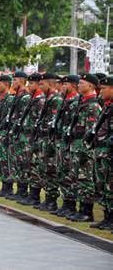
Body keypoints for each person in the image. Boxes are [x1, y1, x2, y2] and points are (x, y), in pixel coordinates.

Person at [66, 74, 102, 222]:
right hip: (76, 145)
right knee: (77, 178)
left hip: (85, 148)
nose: (78, 85)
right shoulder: (81, 102)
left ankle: (87, 212)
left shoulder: (93, 105)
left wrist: (85, 149)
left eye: (82, 83)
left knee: (85, 178)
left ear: (91, 86)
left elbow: (91, 131)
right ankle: (80, 209)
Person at [50, 75, 80, 217]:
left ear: (73, 85)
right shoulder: (65, 101)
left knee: (70, 174)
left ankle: (71, 205)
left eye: (65, 84)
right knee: (62, 172)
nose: (62, 87)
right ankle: (66, 203)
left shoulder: (76, 103)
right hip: (62, 141)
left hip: (71, 143)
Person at [34, 73, 63, 212]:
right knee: (44, 169)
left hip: (50, 140)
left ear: (50, 84)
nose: (40, 86)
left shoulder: (56, 99)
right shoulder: (47, 99)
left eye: (42, 84)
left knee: (51, 170)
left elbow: (54, 123)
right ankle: (47, 198)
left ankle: (52, 200)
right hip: (43, 139)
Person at [87, 75, 112, 229]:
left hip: (109, 152)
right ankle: (107, 217)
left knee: (110, 185)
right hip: (102, 152)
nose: (100, 92)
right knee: (103, 185)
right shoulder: (108, 106)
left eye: (103, 89)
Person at [17, 73, 46, 206]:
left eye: (32, 83)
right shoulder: (32, 98)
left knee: (34, 166)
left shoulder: (40, 100)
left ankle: (35, 196)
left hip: (34, 137)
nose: (28, 86)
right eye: (28, 83)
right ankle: (29, 193)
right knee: (26, 165)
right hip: (27, 136)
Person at [5, 71, 31, 201]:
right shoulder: (17, 95)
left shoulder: (25, 97)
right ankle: (20, 189)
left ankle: (23, 190)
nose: (13, 82)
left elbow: (22, 117)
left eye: (15, 80)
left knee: (23, 162)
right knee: (17, 162)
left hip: (22, 134)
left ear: (21, 81)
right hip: (16, 133)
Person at [0, 74, 15, 197]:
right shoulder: (0, 99)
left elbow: (9, 119)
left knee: (6, 160)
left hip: (5, 134)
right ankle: (4, 185)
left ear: (6, 85)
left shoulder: (10, 100)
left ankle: (8, 187)